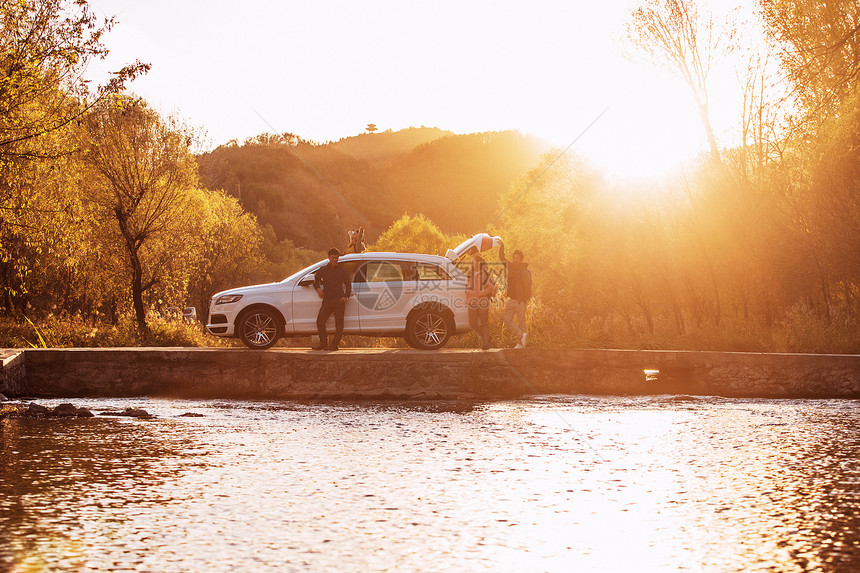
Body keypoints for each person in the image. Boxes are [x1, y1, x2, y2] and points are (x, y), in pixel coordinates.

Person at [312, 248, 351, 351]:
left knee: (339, 324)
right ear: (328, 258)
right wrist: (318, 289)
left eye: (336, 258)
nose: (334, 260)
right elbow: (315, 281)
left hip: (339, 300)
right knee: (320, 321)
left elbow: (348, 284)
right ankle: (323, 343)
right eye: (333, 258)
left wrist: (346, 296)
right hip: (327, 300)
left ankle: (334, 345)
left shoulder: (342, 271)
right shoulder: (323, 270)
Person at [499, 243, 532, 348]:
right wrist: (502, 246)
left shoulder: (524, 271)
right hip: (512, 300)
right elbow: (502, 258)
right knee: (507, 319)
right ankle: (521, 335)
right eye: (514, 258)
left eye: (517, 258)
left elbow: (528, 287)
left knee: (522, 323)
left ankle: (520, 343)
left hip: (520, 301)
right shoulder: (511, 267)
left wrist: (523, 300)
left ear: (521, 259)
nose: (515, 260)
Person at [465, 252, 495, 350]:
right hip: (472, 302)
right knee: (472, 324)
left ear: (478, 263)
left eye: (474, 262)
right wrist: (468, 291)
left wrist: (481, 293)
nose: (472, 264)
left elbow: (490, 287)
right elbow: (467, 285)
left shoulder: (485, 273)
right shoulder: (470, 273)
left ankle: (486, 342)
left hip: (482, 302)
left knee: (484, 323)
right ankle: (487, 338)